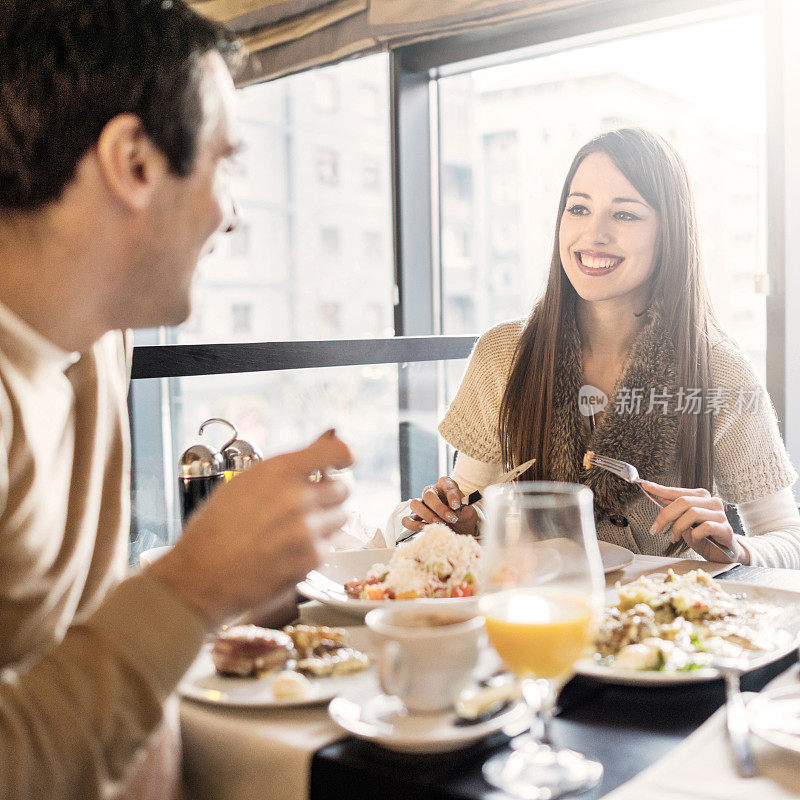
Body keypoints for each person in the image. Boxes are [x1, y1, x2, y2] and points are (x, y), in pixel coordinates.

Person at [0, 2, 353, 798]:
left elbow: (70, 639)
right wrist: (193, 586)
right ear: (134, 161)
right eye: (224, 163)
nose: (230, 213)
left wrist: (238, 573)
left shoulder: (94, 328)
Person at [404, 128, 800, 569]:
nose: (593, 234)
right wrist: (455, 522)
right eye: (578, 208)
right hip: (535, 618)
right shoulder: (504, 355)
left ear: (671, 231)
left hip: (660, 629)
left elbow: (788, 539)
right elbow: (469, 503)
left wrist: (737, 548)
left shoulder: (719, 372)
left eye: (625, 215)